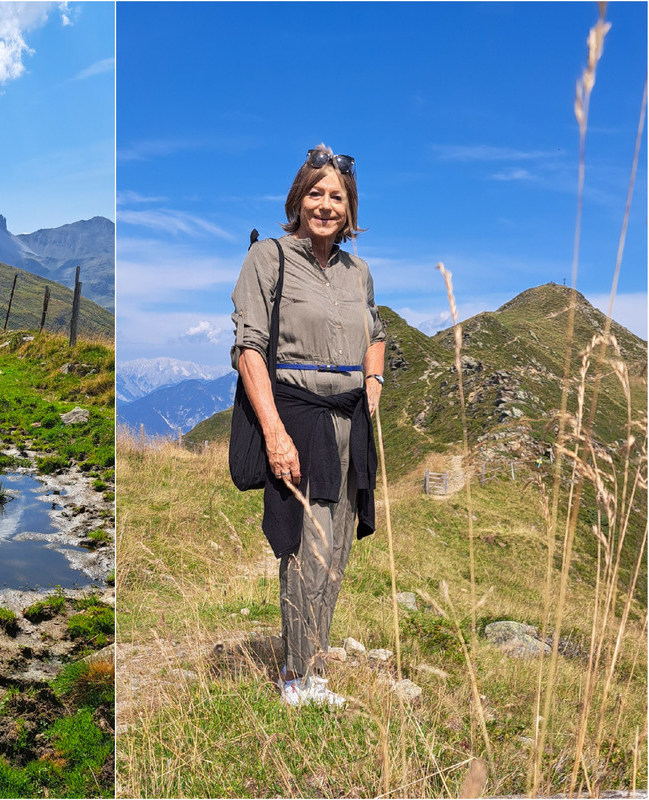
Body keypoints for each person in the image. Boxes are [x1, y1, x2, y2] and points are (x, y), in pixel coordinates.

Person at [230, 145, 386, 707]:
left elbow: (376, 333)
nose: (325, 205)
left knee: (338, 546)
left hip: (351, 421)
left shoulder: (358, 271)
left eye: (336, 197)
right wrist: (274, 432)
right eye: (315, 193)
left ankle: (314, 668)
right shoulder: (268, 259)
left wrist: (373, 384)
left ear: (349, 209)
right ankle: (295, 676)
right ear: (297, 199)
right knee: (305, 545)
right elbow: (249, 349)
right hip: (296, 414)